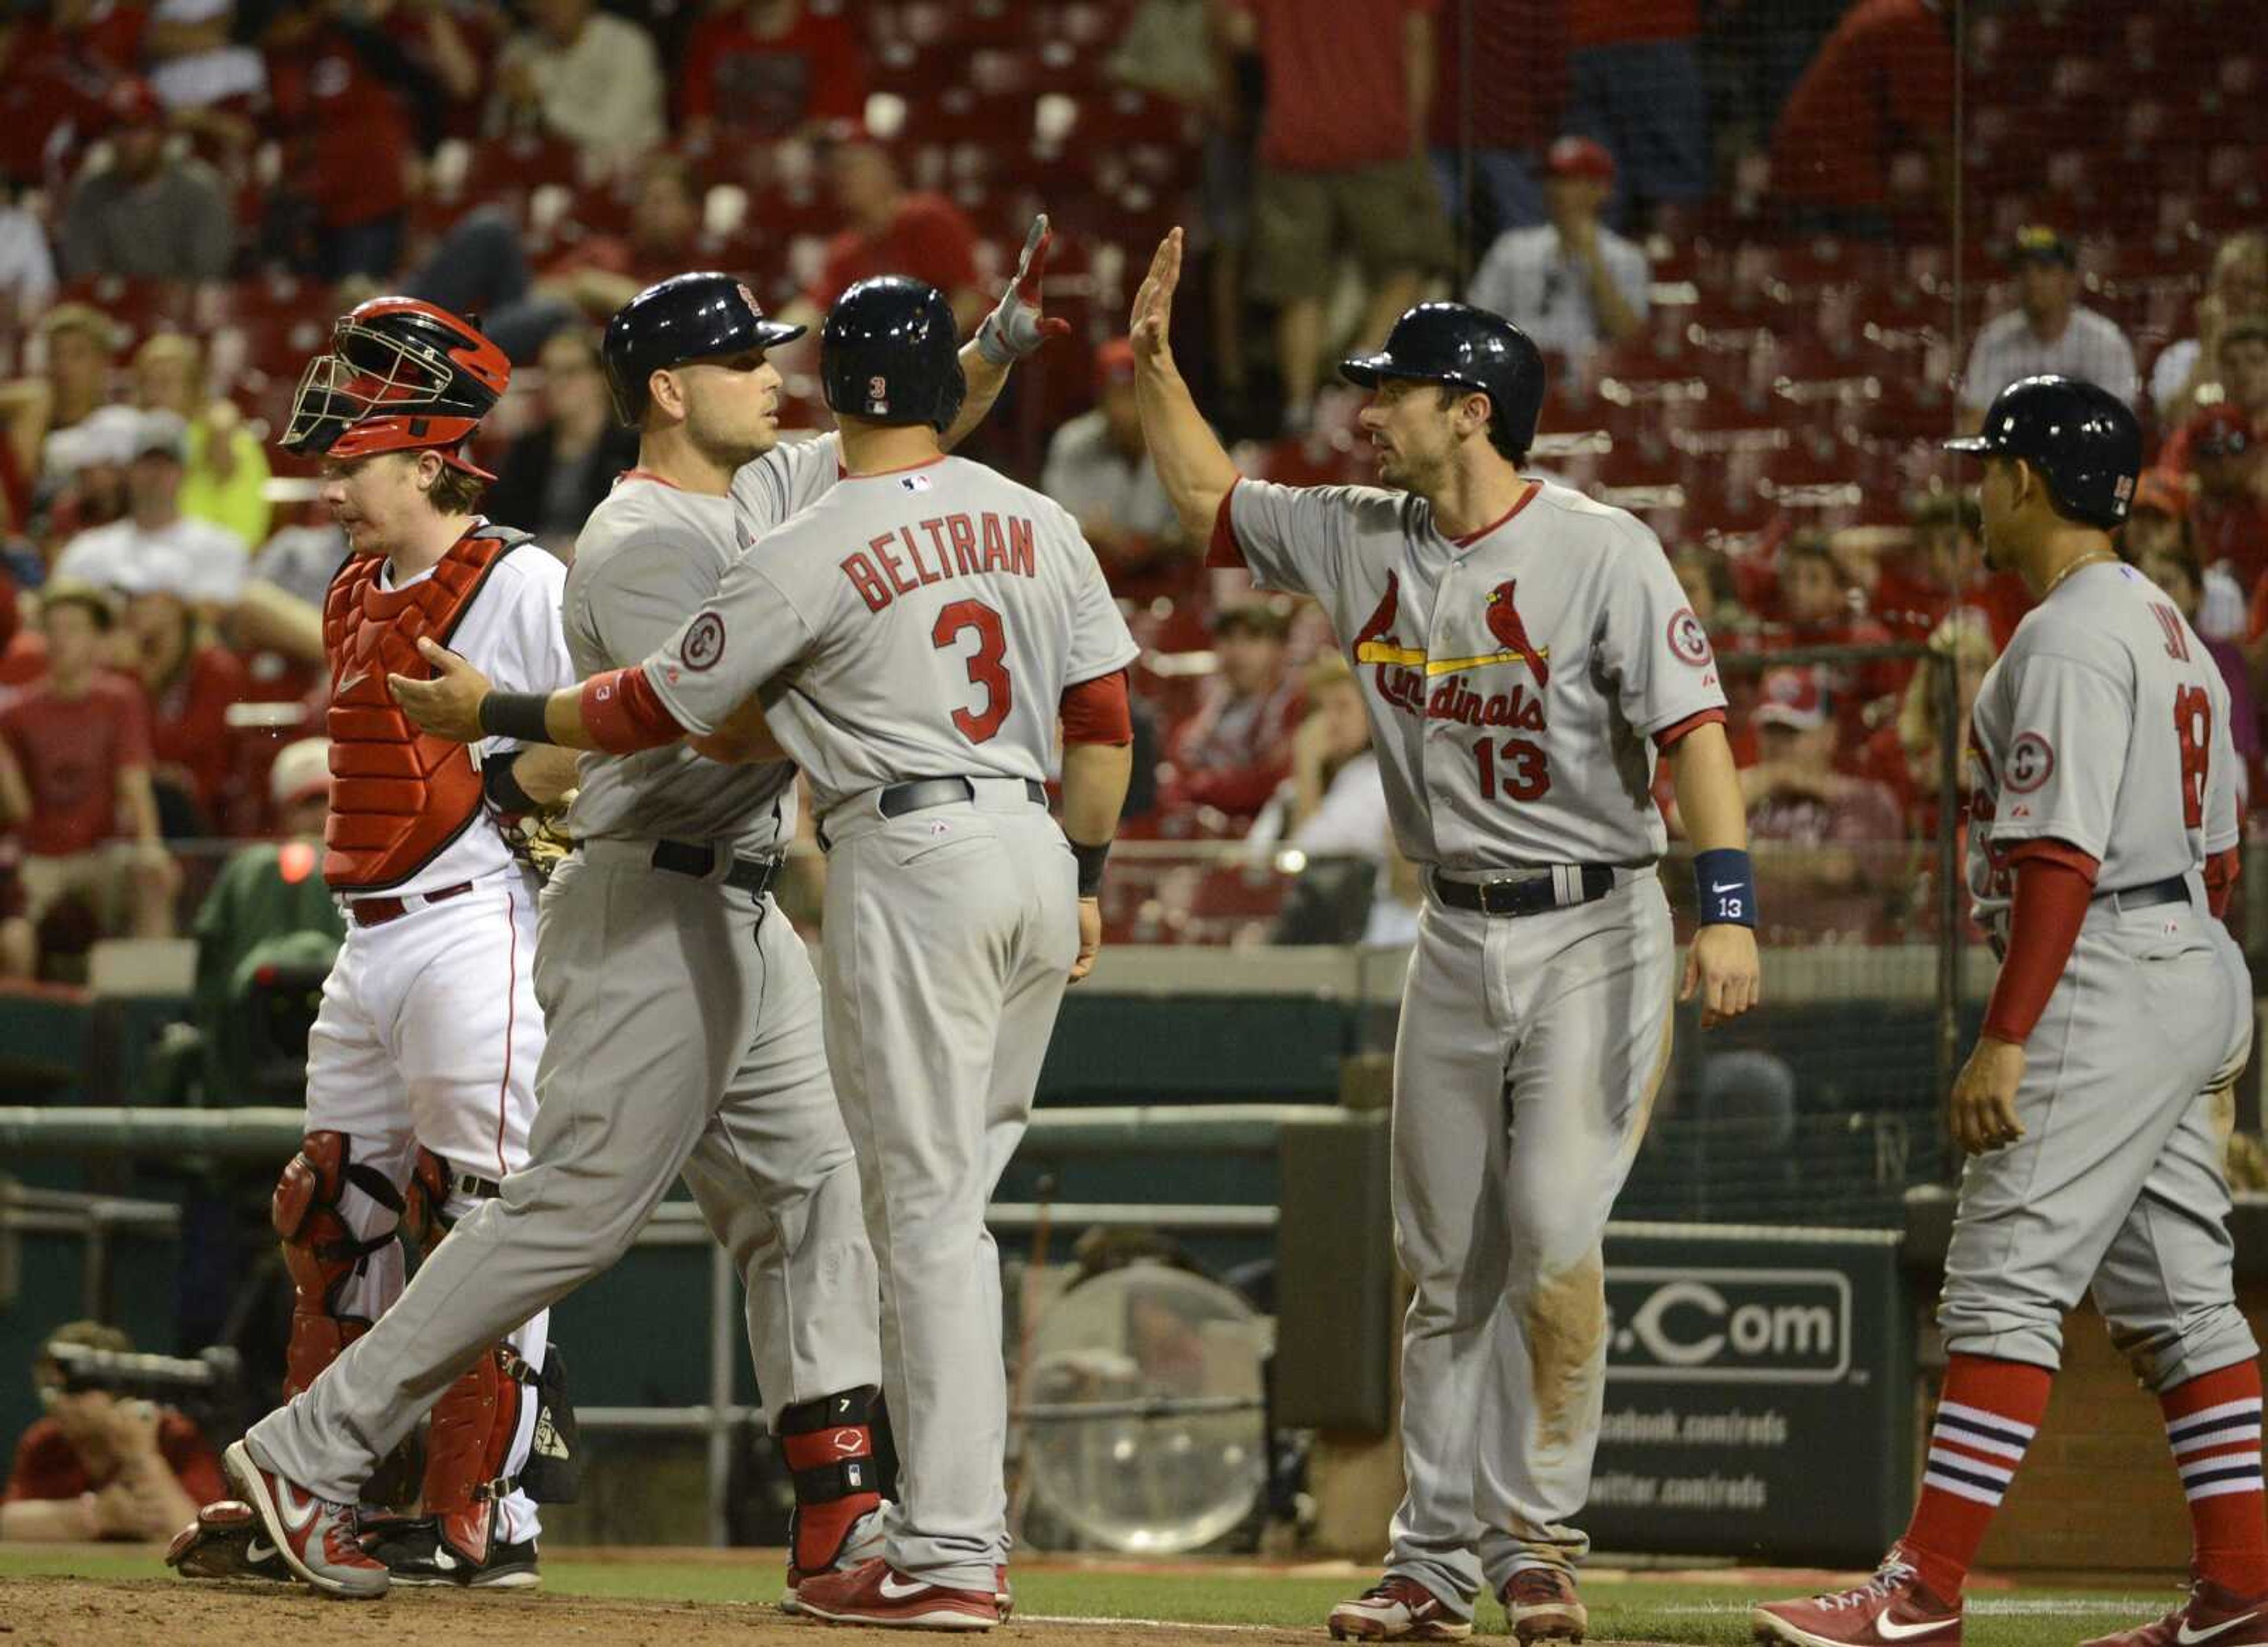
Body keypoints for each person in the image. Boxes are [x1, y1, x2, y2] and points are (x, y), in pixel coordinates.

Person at [204, 235, 1072, 1615]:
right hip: (651, 893)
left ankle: (838, 1517)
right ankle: (310, 1453)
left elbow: (901, 444)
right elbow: (716, 728)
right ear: (669, 388)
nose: (774, 377)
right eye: (742, 360)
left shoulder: (772, 483)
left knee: (814, 1192)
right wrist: (872, 711)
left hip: (738, 908)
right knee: (562, 1214)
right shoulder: (643, 535)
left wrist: (986, 352)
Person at [1127, 229, 1761, 1643]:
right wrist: (1155, 366)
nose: (1368, 409)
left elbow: (1697, 739)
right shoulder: (1365, 533)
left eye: (1395, 388)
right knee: (1441, 1262)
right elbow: (1203, 501)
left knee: (1546, 1242)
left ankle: (1534, 1540)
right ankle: (1429, 1557)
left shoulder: (1602, 550)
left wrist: (1725, 911)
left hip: (1597, 923)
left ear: (1470, 406)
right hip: (1454, 938)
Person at [1754, 376, 2264, 1647]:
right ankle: (2244, 1590)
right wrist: (2190, 1025)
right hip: (2184, 949)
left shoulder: (2071, 636)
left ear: (2026, 482)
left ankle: (1923, 1586)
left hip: (2099, 957)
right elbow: (2221, 859)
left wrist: (2012, 1031)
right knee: (2183, 1299)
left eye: (1988, 468)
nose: (1976, 488)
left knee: (1997, 1280)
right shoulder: (2169, 630)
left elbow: (2059, 857)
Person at [204, 297, 579, 1596]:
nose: (335, 491)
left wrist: (531, 794)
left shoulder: (523, 577)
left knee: (482, 1219)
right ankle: (319, 1488)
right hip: (364, 935)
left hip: (477, 926)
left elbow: (589, 732)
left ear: (430, 460)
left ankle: (485, 1509)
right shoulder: (356, 584)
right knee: (332, 1213)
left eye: (355, 465)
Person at [1221, 0, 1451, 427]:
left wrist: (1296, 45)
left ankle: (1299, 411)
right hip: (1379, 136)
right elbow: (1418, 41)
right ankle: (1352, 385)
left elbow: (1237, 32)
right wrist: (1413, 133)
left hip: (1294, 137)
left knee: (1299, 290)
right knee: (1408, 265)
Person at [0, 580, 176, 948]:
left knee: (153, 876)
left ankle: (153, 1000)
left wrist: (150, 846)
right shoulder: (16, 713)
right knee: (15, 941)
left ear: (99, 640)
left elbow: (134, 781)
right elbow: (18, 809)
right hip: (39, 861)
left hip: (102, 854)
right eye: (52, 629)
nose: (61, 640)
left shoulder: (120, 700)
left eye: (74, 629)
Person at [1, 1322, 226, 1542]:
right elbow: (7, 1523)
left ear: (119, 1388)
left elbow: (207, 1539)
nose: (59, 1401)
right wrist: (97, 1514)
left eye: (77, 1387)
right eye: (51, 1388)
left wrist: (145, 1458)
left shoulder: (173, 1436)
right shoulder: (47, 1441)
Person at [1740, 666, 1906, 942]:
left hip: (1834, 959)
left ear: (1829, 735)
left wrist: (1733, 857)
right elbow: (1681, 820)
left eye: (1793, 733)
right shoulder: (1752, 792)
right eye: (1771, 732)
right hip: (1753, 951)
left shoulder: (1865, 797)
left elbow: (1838, 868)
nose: (1779, 745)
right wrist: (1772, 778)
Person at [1465, 136, 1647, 379]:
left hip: (1591, 384)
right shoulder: (1512, 248)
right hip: (1517, 375)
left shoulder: (1626, 257)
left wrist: (1593, 259)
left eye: (1569, 180)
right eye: (1552, 179)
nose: (1556, 190)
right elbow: (1475, 324)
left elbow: (1629, 337)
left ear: (1602, 189)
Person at [1768, 0, 1953, 237]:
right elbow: (1931, 131)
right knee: (1863, 261)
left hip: (1816, 161)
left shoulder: (1892, 9)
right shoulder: (1908, 18)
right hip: (1834, 166)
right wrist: (1957, 214)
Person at [52, 410, 250, 611]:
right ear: (129, 471)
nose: (156, 474)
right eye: (147, 463)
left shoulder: (221, 547)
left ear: (185, 473)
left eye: (166, 464)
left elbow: (212, 619)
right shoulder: (86, 551)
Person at [1039, 337, 1190, 589]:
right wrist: (1093, 533)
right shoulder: (1073, 443)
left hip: (1179, 581)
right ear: (1101, 398)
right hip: (1097, 583)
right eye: (1116, 395)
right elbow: (1053, 528)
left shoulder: (1190, 439)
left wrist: (1159, 543)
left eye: (1134, 394)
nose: (1126, 409)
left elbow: (1213, 530)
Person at [1959, 227, 2140, 430]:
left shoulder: (2105, 342)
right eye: (2023, 270)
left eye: (2044, 269)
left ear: (2070, 281)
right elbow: (1975, 420)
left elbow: (2115, 426)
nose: (2032, 280)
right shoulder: (1993, 341)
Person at [799, 137, 986, 332]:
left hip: (962, 351)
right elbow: (812, 310)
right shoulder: (846, 250)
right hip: (896, 356)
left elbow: (970, 299)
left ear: (884, 168)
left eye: (851, 167)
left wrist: (921, 338)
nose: (842, 178)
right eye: (835, 170)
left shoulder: (927, 218)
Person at [59, 77, 234, 285]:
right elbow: (85, 276)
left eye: (140, 128)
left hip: (184, 313)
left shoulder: (201, 192)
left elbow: (207, 273)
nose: (128, 141)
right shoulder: (91, 195)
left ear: (163, 134)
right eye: (120, 129)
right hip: (111, 312)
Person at [482, 327, 639, 556]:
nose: (557, 383)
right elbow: (501, 520)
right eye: (550, 372)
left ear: (602, 378)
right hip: (534, 564)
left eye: (571, 371)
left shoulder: (633, 449)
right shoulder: (527, 450)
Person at [1158, 601, 1304, 828]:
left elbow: (1271, 783)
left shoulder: (1295, 706)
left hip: (1266, 833)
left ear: (1280, 649)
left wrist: (1203, 787)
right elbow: (1177, 771)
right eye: (1228, 639)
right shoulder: (1209, 705)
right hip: (1206, 831)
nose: (1237, 651)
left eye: (1252, 639)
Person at [132, 330, 272, 550]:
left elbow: (246, 533)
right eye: (149, 382)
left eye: (168, 382)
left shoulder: (232, 441)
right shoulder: (130, 443)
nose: (155, 394)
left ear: (193, 388)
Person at [490, 0, 664, 175]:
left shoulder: (628, 45)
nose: (550, 5)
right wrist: (512, 108)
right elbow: (493, 135)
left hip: (625, 179)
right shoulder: (519, 50)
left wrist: (542, 104)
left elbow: (612, 137)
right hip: (542, 177)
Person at [680, 0, 867, 152]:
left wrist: (782, 154)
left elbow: (828, 120)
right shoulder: (711, 34)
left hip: (805, 161)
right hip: (726, 161)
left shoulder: (830, 35)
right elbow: (697, 119)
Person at [2152, 233, 2268, 428]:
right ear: (2212, 291)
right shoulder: (2178, 359)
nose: (2237, 297)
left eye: (2251, 287)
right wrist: (2211, 346)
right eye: (2228, 284)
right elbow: (2178, 428)